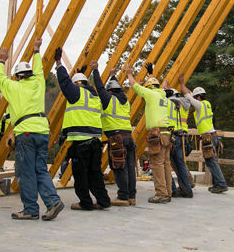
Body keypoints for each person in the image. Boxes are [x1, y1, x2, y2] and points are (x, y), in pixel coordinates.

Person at [0, 39, 64, 221]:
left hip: (26, 133)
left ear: (18, 76)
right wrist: (36, 50)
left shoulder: (14, 87)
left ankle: (31, 209)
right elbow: (40, 69)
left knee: (25, 172)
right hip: (42, 131)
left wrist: (2, 60)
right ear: (30, 74)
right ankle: (53, 202)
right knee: (40, 169)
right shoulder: (39, 83)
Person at [55, 48, 111, 211]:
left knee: (80, 174)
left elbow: (65, 82)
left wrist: (58, 62)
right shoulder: (94, 96)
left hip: (81, 143)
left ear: (77, 84)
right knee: (95, 173)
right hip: (95, 142)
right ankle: (103, 200)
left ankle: (85, 202)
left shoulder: (76, 92)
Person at [90, 60, 136, 206]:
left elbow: (99, 87)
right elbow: (113, 88)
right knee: (129, 168)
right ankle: (131, 197)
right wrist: (113, 75)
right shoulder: (125, 101)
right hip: (128, 138)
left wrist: (95, 70)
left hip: (117, 139)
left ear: (110, 91)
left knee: (119, 166)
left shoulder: (109, 99)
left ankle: (123, 197)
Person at [126, 62, 172, 203]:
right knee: (165, 164)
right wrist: (150, 73)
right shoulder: (163, 95)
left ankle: (161, 194)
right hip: (166, 134)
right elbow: (158, 86)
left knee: (156, 164)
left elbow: (136, 87)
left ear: (149, 88)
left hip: (156, 133)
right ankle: (168, 192)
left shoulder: (151, 94)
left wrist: (129, 73)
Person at [178, 74, 228, 194]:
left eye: (196, 97)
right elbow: (191, 96)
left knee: (211, 161)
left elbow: (188, 97)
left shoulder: (199, 105)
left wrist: (182, 84)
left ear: (198, 97)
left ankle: (221, 184)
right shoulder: (207, 104)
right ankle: (217, 184)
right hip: (213, 136)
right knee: (211, 161)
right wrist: (190, 91)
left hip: (208, 138)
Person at [162, 81, 193, 198]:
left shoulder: (167, 103)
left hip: (171, 136)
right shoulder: (183, 105)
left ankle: (172, 189)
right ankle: (187, 190)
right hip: (181, 136)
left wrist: (163, 87)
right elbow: (189, 95)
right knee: (180, 164)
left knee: (164, 163)